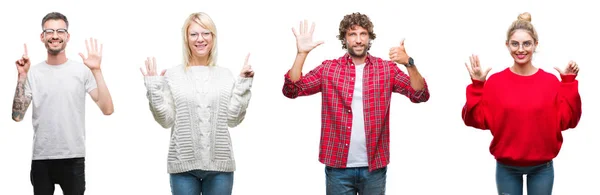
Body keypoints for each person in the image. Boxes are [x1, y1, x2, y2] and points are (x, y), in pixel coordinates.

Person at [282, 12, 430, 195]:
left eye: (363, 34)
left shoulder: (386, 69)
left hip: (374, 167)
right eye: (352, 34)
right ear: (344, 38)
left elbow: (420, 94)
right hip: (338, 168)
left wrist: (409, 63)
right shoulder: (329, 69)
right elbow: (292, 90)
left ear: (369, 37)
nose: (358, 40)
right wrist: (301, 54)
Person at [462, 12, 582, 195]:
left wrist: (567, 84)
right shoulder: (495, 82)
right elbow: (474, 119)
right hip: (506, 167)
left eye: (526, 43)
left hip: (542, 167)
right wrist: (478, 86)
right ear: (507, 45)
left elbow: (569, 121)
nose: (521, 49)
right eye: (515, 43)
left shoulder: (550, 82)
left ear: (535, 45)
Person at [141, 12, 254, 195]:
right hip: (183, 167)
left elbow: (233, 119)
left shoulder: (225, 75)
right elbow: (166, 121)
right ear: (186, 38)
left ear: (213, 37)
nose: (200, 39)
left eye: (206, 33)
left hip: (220, 167)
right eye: (193, 34)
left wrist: (243, 84)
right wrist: (154, 88)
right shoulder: (173, 75)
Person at [11, 12, 114, 195]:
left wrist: (97, 70)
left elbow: (107, 109)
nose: (55, 36)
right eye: (49, 31)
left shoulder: (81, 71)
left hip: (73, 157)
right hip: (41, 158)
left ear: (67, 36)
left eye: (60, 31)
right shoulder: (33, 73)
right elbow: (17, 116)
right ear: (42, 37)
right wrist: (22, 76)